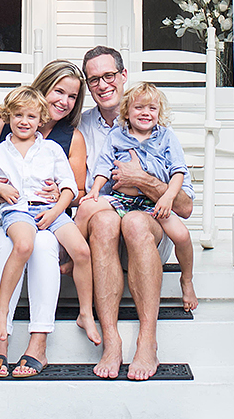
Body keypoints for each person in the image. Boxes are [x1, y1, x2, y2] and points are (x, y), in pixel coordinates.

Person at [0, 45, 194, 381]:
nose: (102, 84)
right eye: (94, 79)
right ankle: (111, 341)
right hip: (99, 227)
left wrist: (142, 179)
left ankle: (147, 341)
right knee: (105, 219)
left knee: (135, 223)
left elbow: (184, 206)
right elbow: (30, 124)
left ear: (123, 76)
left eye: (109, 75)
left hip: (148, 222)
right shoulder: (76, 126)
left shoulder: (154, 124)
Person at [0, 61, 92, 379]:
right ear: (42, 88)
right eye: (58, 91)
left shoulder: (68, 139)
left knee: (45, 242)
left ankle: (38, 343)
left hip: (46, 218)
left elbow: (76, 191)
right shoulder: (2, 126)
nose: (64, 101)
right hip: (3, 225)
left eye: (73, 96)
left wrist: (59, 196)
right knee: (15, 244)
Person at [80, 82, 198, 313]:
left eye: (152, 108)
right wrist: (95, 190)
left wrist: (167, 198)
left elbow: (178, 172)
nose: (146, 113)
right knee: (86, 208)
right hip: (120, 199)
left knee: (182, 236)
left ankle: (187, 279)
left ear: (159, 112)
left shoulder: (166, 137)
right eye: (139, 108)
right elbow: (104, 165)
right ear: (126, 112)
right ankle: (74, 255)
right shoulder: (116, 135)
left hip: (153, 204)